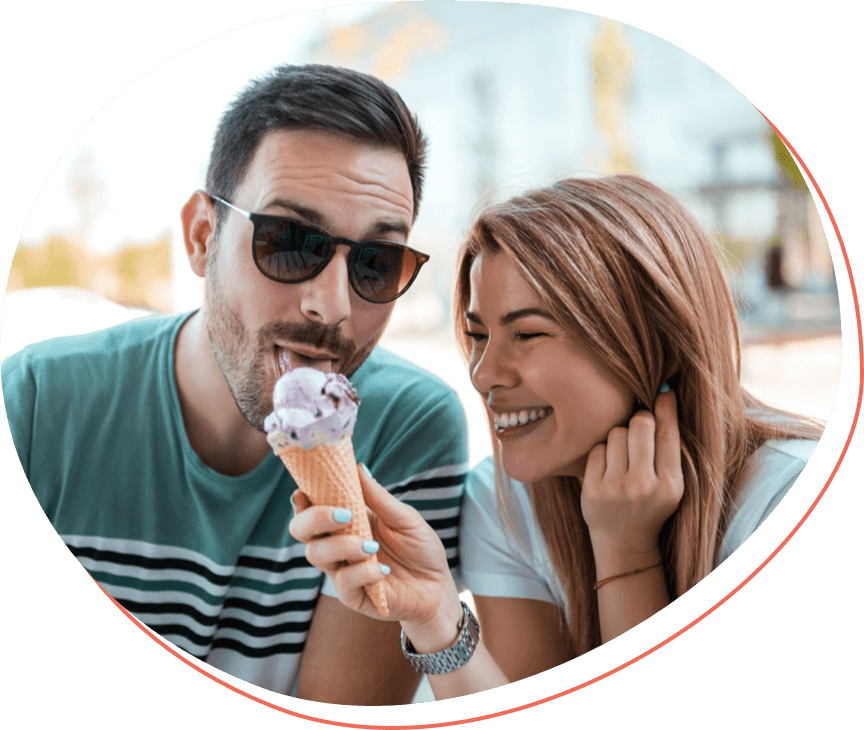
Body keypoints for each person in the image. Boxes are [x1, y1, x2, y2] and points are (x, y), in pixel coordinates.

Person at [2, 64, 468, 704]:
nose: (330, 307)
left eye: (375, 262)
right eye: (290, 243)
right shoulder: (38, 405)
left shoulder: (408, 429)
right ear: (201, 236)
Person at [289, 174, 822, 700]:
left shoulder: (791, 503)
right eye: (478, 336)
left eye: (527, 334)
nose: (482, 374)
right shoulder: (506, 503)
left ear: (651, 340)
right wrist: (436, 616)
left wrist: (625, 552)